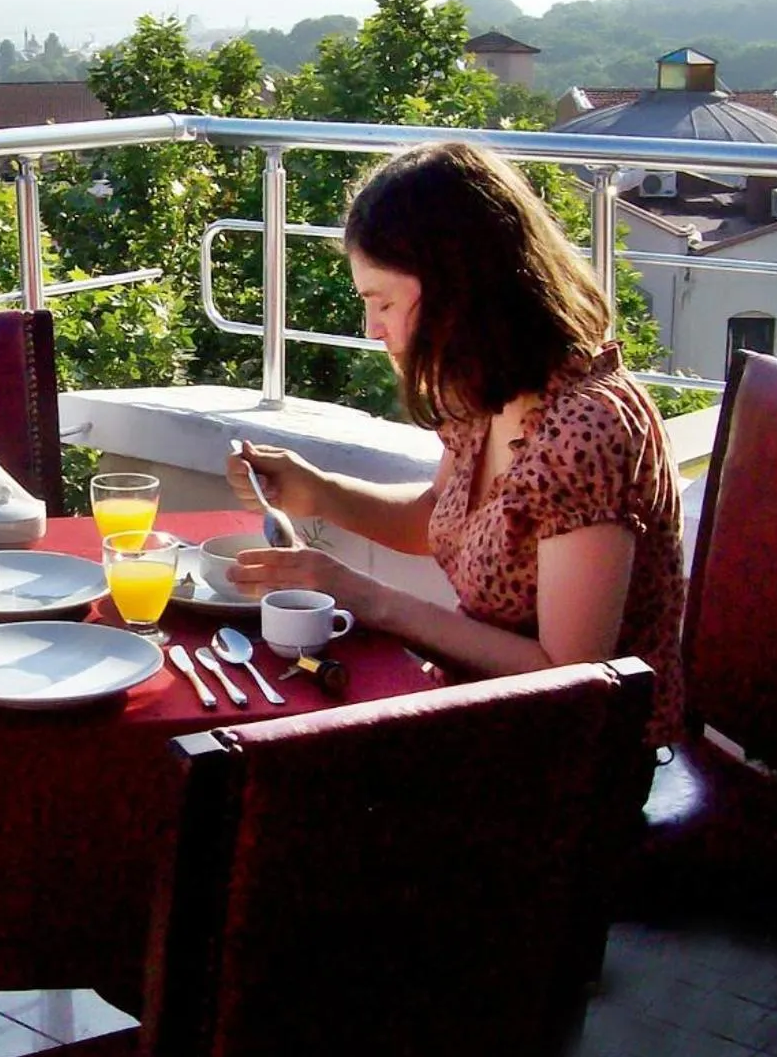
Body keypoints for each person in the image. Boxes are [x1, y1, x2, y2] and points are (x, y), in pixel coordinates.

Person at [226, 140, 685, 747]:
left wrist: (363, 595)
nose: (373, 328)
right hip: (483, 719)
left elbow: (575, 680)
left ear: (457, 289)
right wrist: (317, 492)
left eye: (383, 301)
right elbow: (442, 518)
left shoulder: (585, 430)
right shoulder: (490, 392)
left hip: (583, 767)